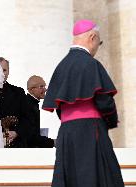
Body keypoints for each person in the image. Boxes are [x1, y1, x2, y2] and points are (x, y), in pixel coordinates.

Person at [42, 19, 124, 186]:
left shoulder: (61, 66)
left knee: (70, 178)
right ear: (92, 37)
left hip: (66, 133)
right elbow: (104, 101)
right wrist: (110, 120)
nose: (97, 47)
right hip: (90, 131)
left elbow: (60, 106)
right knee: (97, 177)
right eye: (99, 42)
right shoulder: (91, 64)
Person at [0, 57, 30, 148]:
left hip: (17, 145)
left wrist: (16, 132)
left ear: (8, 71)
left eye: (4, 70)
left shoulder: (18, 92)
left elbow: (28, 118)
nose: (2, 74)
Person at [26, 75, 54, 148]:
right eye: (41, 87)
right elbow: (30, 136)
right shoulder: (28, 105)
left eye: (45, 86)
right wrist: (53, 142)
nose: (45, 89)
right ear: (31, 89)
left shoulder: (32, 103)